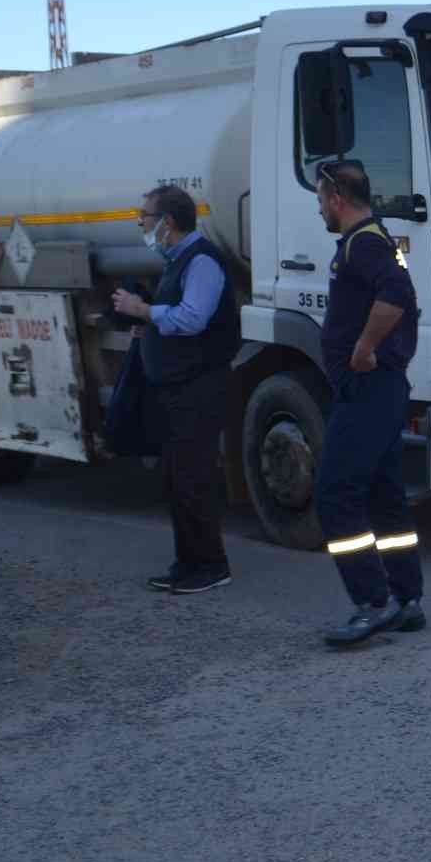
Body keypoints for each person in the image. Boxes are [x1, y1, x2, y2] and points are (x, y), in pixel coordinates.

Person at [312, 160, 426, 646]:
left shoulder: (364, 243)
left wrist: (362, 348)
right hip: (380, 388)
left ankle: (371, 603)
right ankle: (407, 600)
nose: (319, 207)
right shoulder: (372, 239)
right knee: (384, 496)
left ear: (336, 198)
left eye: (320, 198)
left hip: (369, 387)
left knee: (335, 493)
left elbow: (398, 295)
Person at [111, 186, 241, 595]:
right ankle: (188, 563)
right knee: (176, 478)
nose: (142, 226)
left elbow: (192, 318)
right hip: (178, 388)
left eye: (145, 218)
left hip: (197, 388)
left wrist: (144, 310)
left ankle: (211, 565)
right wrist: (147, 325)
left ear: (167, 222)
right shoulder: (176, 260)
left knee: (193, 478)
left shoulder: (200, 261)